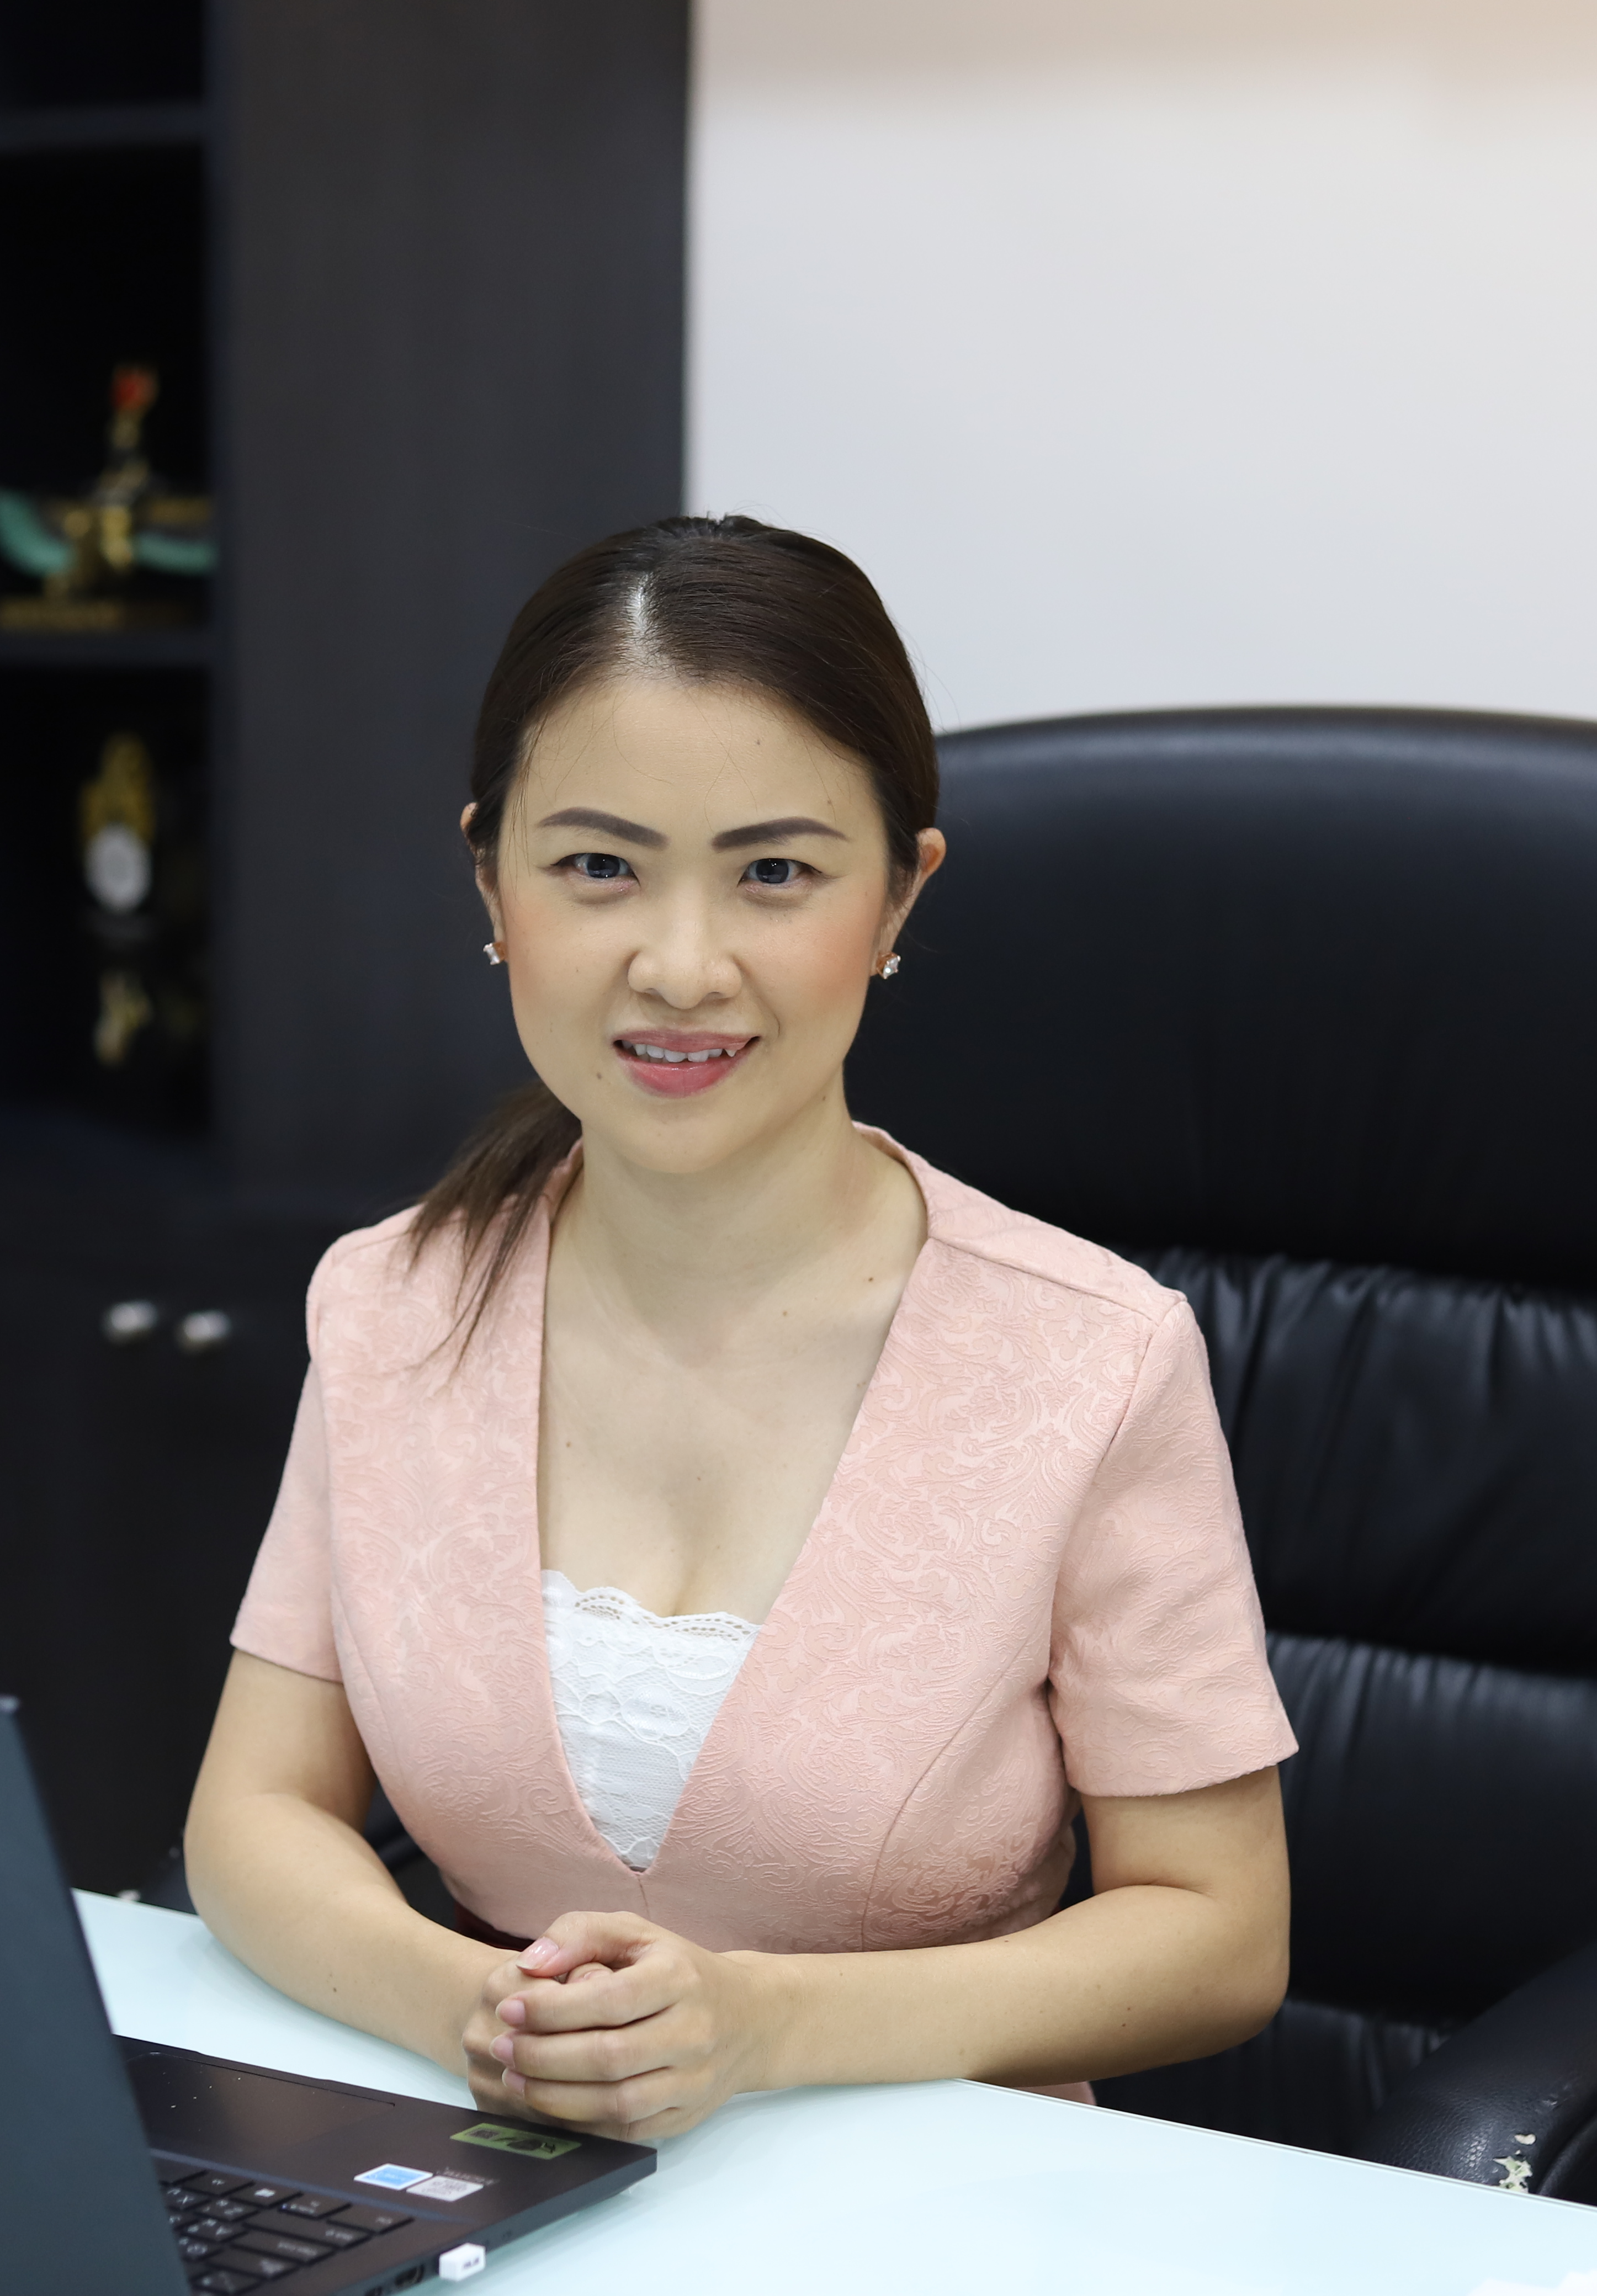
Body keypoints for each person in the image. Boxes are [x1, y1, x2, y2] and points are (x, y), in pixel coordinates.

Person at [182, 516, 1294, 2140]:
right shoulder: (396, 1302)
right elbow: (254, 1812)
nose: (682, 965)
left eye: (775, 873)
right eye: (598, 868)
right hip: (501, 2171)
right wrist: (483, 2016)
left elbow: (1219, 1933)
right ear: (491, 881)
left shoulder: (1095, 1360)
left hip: (930, 2204)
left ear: (900, 896)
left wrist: (762, 2028)